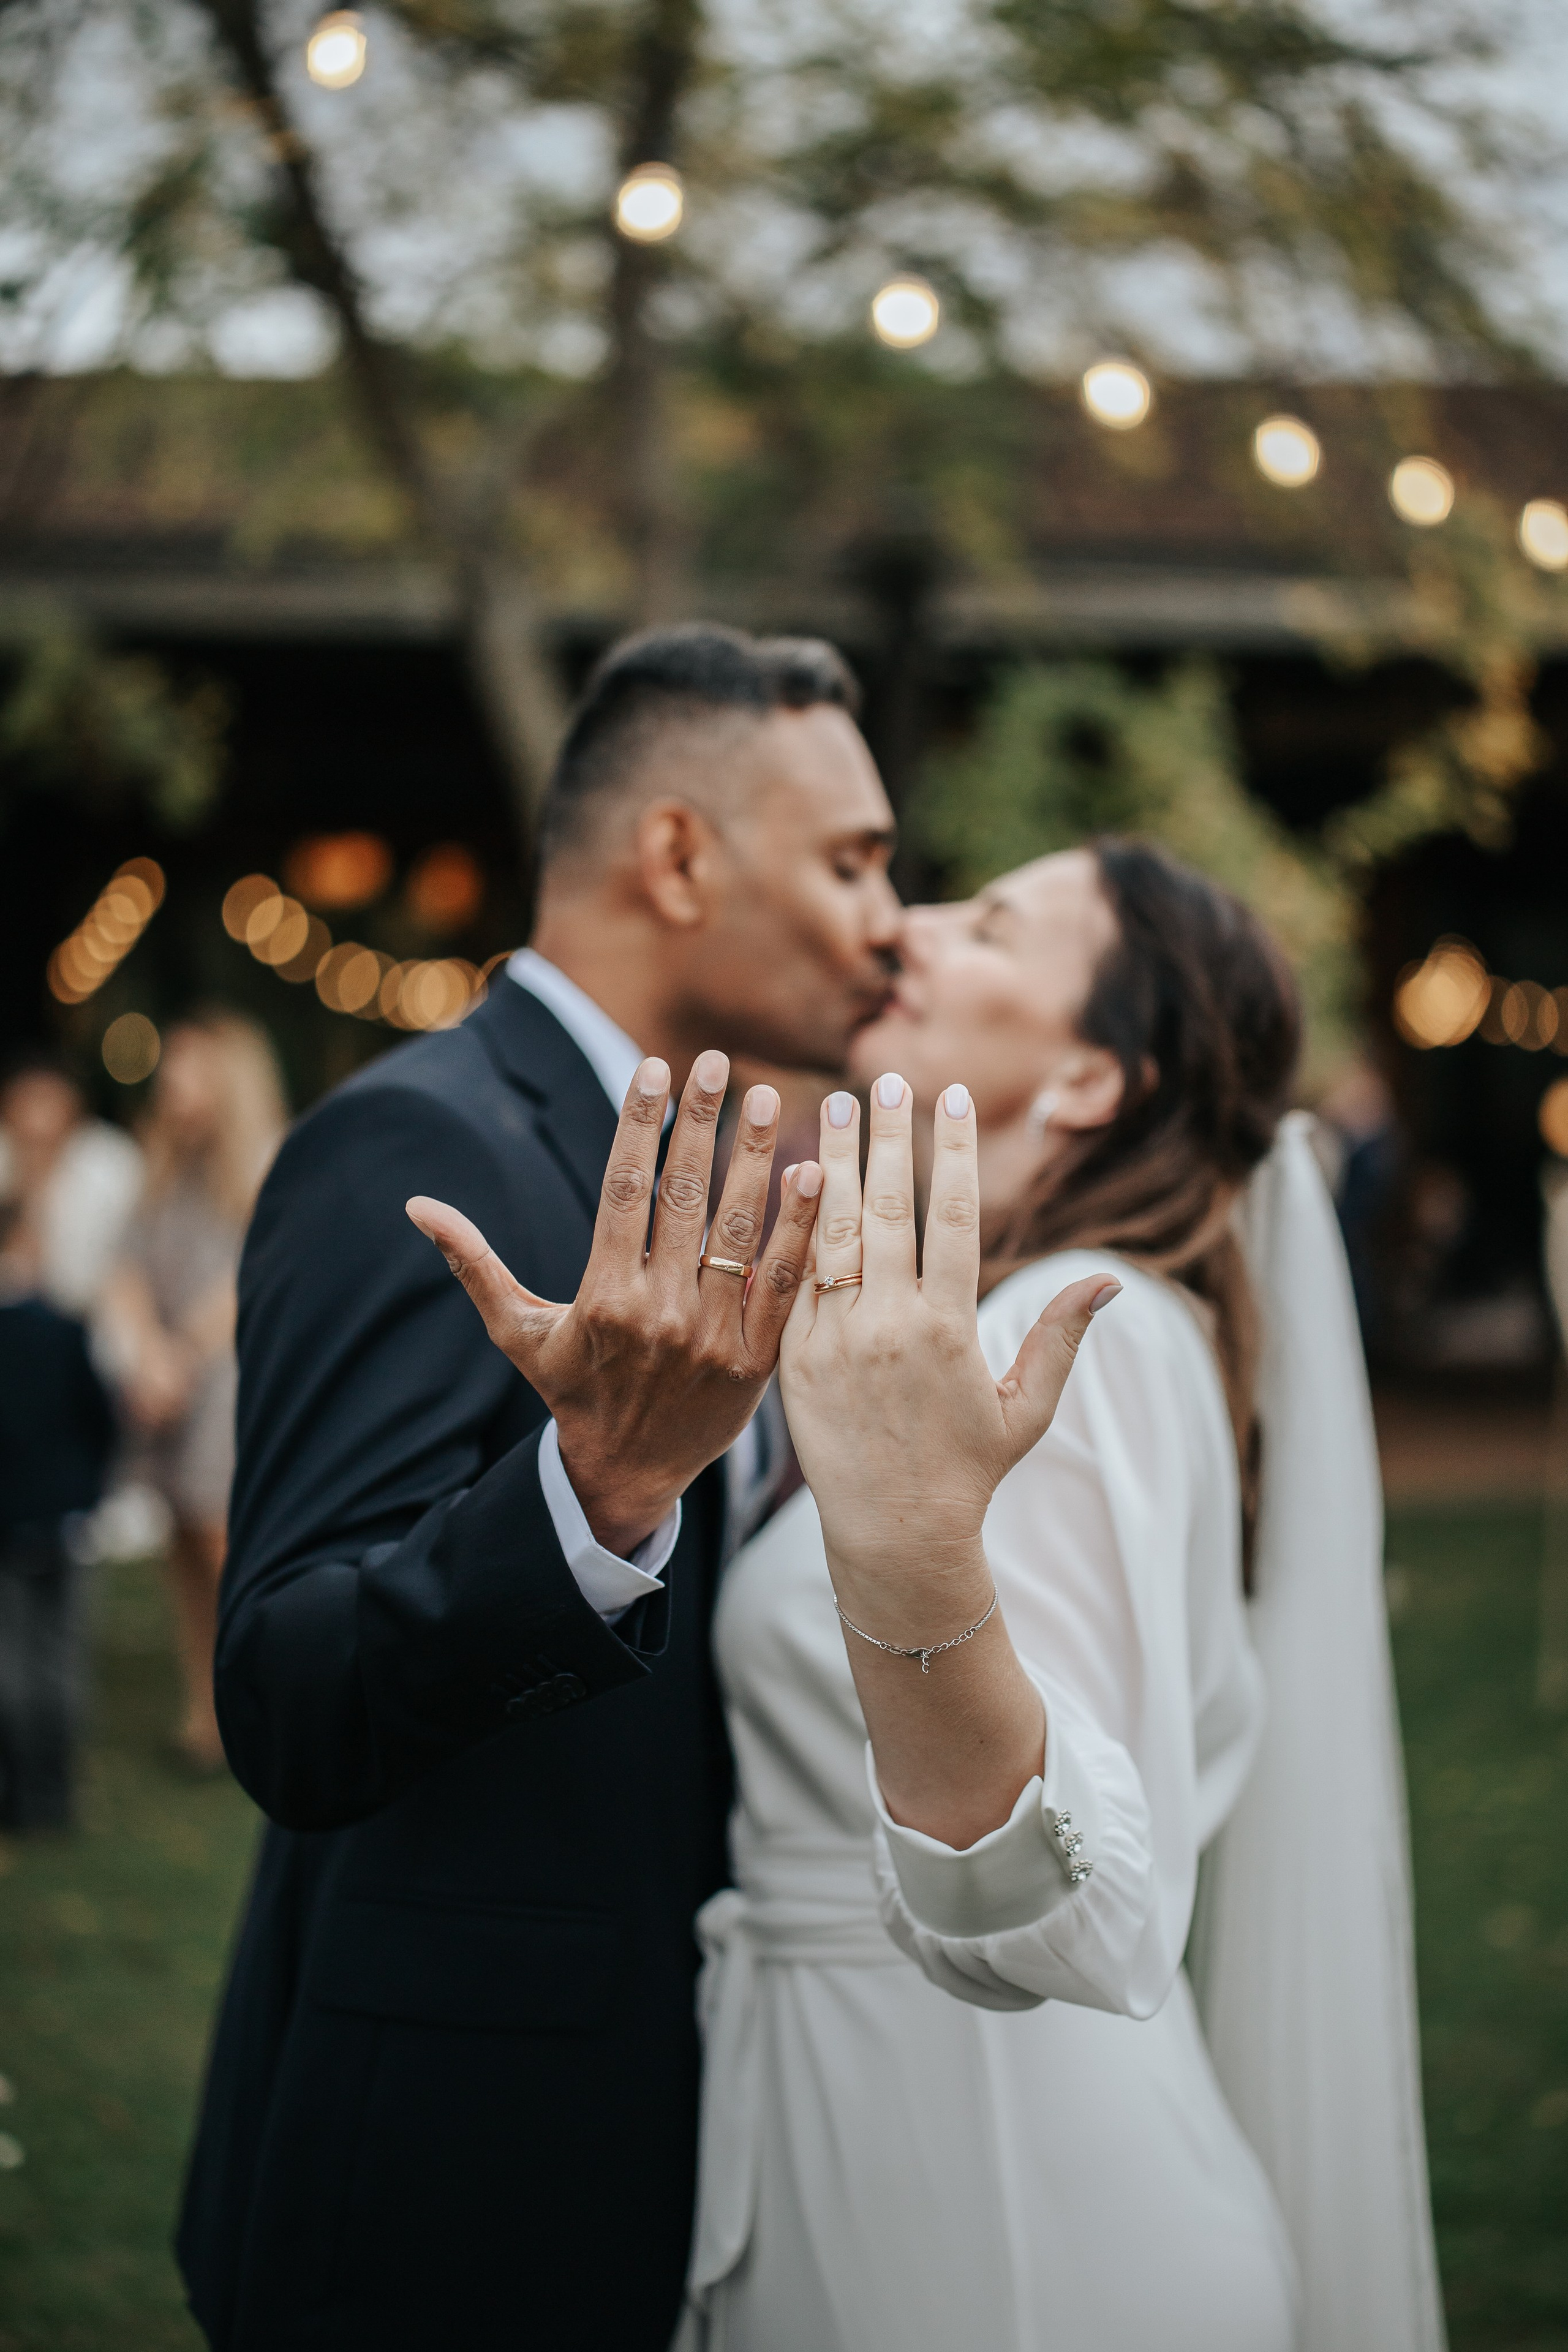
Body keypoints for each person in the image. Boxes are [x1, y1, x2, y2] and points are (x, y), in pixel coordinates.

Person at [176, 624, 902, 2352]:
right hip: (447, 2181)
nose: (893, 918)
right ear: (676, 853)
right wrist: (600, 1490)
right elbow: (286, 1691)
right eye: (854, 860)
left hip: (657, 2121)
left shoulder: (700, 1165)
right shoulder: (424, 1143)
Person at [656, 845, 1439, 2348]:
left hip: (1006, 2236)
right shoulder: (997, 1336)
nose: (908, 927)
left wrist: (903, 1549)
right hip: (894, 2159)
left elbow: (1072, 1905)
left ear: (1089, 1076)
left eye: (988, 921)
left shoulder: (1078, 1337)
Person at [100, 1016, 287, 1773]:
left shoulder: (267, 1161)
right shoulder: (162, 1162)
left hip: (224, 1385)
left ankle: (261, 1709)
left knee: (224, 1550)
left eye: (185, 1070)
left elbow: (253, 1276)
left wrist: (178, 1357)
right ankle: (202, 1714)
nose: (169, 1085)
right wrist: (145, 1352)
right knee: (177, 1540)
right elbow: (126, 1263)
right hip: (166, 1381)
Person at [0, 1204, 116, 1829]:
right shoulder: (63, 1329)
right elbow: (99, 1419)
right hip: (63, 1516)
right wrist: (87, 1491)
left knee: (10, 1660)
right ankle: (53, 1796)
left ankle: (18, 1792)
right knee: (59, 1658)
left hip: (8, 1522)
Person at [0, 1053, 143, 1318]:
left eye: (45, 1099)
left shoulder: (109, 1164)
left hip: (82, 1326)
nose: (36, 1117)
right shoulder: (6, 1155)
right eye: (26, 1099)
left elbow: (90, 1282)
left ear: (73, 1105)